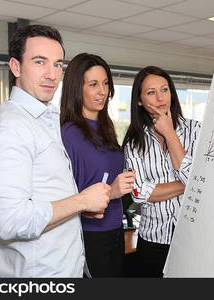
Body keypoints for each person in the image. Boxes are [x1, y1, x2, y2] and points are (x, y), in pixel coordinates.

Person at [0, 25, 110, 277]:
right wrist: (82, 200)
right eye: (40, 62)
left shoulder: (45, 118)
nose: (52, 74)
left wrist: (81, 207)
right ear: (16, 67)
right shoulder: (9, 128)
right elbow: (11, 222)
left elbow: (47, 192)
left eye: (58, 64)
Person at [60, 53, 135, 277]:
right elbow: (63, 197)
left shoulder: (106, 126)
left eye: (105, 83)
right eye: (93, 84)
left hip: (115, 229)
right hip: (89, 236)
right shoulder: (69, 134)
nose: (103, 91)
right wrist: (111, 192)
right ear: (77, 88)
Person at [122, 66, 201, 277]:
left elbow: (203, 182)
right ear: (139, 100)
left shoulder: (197, 131)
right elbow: (138, 194)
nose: (160, 98)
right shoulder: (134, 142)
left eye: (164, 90)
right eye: (151, 92)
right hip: (154, 240)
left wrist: (169, 134)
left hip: (194, 237)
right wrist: (192, 182)